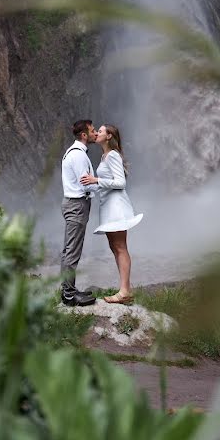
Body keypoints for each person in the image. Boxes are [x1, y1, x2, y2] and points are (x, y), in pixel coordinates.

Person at [80, 124, 143, 305]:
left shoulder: (113, 155)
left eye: (100, 131)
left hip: (116, 207)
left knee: (120, 247)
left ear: (108, 136)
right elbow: (106, 182)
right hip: (108, 206)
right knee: (115, 247)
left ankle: (125, 291)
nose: (97, 133)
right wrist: (90, 184)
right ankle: (124, 290)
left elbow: (120, 182)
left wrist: (96, 180)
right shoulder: (104, 156)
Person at [59, 120, 99, 307]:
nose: (95, 133)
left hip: (74, 204)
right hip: (76, 205)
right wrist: (109, 186)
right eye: (92, 131)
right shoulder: (79, 156)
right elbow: (87, 183)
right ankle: (68, 295)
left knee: (69, 250)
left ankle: (70, 290)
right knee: (72, 252)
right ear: (84, 135)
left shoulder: (74, 152)